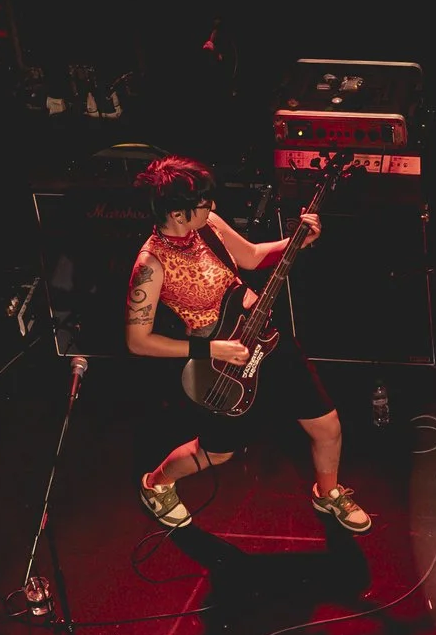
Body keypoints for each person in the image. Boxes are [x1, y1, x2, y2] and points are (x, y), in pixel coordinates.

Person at [124, 156, 372, 535]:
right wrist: (211, 350)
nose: (212, 208)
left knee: (327, 425)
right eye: (204, 204)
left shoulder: (207, 225)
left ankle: (328, 491)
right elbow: (138, 342)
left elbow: (253, 256)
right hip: (219, 364)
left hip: (264, 338)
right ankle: (156, 484)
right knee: (217, 452)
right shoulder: (150, 264)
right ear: (176, 213)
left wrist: (296, 242)